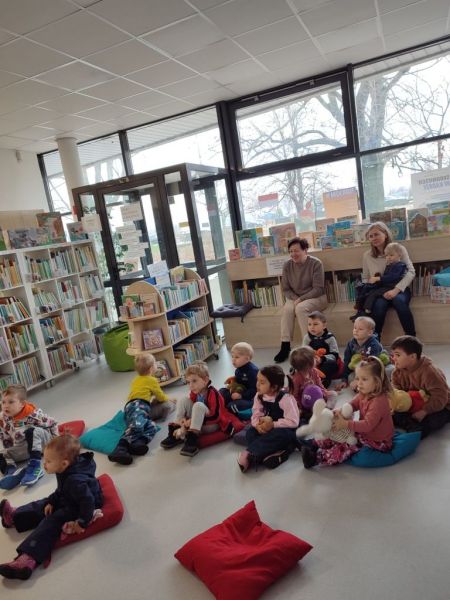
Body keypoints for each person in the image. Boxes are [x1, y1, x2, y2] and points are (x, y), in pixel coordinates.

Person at [0, 434, 103, 580]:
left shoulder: (75, 481)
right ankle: (15, 517)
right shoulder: (66, 470)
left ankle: (29, 558)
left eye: (48, 461)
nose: (44, 464)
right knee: (45, 504)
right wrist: (52, 501)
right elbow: (61, 490)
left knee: (52, 521)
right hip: (71, 496)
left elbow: (88, 501)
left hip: (81, 506)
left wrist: (82, 522)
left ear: (64, 463)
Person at [300, 356, 394, 468]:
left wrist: (345, 424)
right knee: (338, 431)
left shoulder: (379, 402)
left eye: (364, 379)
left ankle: (316, 458)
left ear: (377, 382)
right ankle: (315, 443)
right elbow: (353, 404)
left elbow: (368, 425)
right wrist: (339, 412)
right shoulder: (364, 392)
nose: (359, 383)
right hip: (364, 433)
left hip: (378, 441)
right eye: (357, 378)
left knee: (346, 446)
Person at [160, 362, 239, 457]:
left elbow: (216, 416)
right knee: (183, 400)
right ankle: (175, 432)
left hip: (212, 424)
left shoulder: (213, 393)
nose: (191, 385)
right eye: (188, 382)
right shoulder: (194, 392)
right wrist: (184, 420)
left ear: (205, 380)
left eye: (194, 381)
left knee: (198, 405)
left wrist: (192, 420)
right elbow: (191, 409)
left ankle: (191, 441)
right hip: (198, 421)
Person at [108, 353, 172, 465]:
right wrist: (169, 400)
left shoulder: (135, 379)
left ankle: (138, 443)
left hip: (136, 407)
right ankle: (120, 449)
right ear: (151, 368)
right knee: (137, 426)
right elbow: (160, 396)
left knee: (152, 426)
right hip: (136, 405)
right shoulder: (152, 380)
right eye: (155, 363)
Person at [274, 237, 327, 363]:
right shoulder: (287, 265)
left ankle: (308, 345)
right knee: (287, 309)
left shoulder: (316, 263)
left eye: (296, 251)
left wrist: (301, 299)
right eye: (291, 251)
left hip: (316, 297)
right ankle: (285, 345)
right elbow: (286, 289)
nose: (293, 254)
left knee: (300, 308)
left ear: (305, 250)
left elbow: (318, 289)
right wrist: (296, 298)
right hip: (295, 298)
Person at [237, 365, 299, 472]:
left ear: (273, 387)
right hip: (266, 428)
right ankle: (274, 454)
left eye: (262, 382)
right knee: (250, 433)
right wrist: (257, 425)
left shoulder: (286, 399)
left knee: (282, 436)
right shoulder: (259, 396)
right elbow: (256, 413)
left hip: (283, 429)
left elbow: (294, 422)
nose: (257, 384)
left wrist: (273, 424)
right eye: (257, 380)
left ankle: (250, 454)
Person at [362, 222, 416, 339]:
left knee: (399, 301)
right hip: (380, 291)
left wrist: (396, 290)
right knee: (379, 306)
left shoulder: (398, 249)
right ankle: (375, 341)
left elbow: (411, 272)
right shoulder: (367, 255)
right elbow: (365, 277)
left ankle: (411, 339)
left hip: (399, 289)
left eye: (376, 234)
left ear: (385, 234)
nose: (374, 238)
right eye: (371, 236)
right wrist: (370, 283)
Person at [391, 335, 450, 439]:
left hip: (439, 405)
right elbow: (396, 391)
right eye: (393, 355)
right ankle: (411, 424)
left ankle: (416, 429)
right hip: (413, 402)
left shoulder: (430, 372)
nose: (393, 358)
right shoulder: (397, 371)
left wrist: (424, 411)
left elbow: (441, 397)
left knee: (433, 420)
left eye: (398, 355)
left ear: (413, 357)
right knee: (392, 413)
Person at [0, 384, 58, 489]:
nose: (6, 406)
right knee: (2, 454)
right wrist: (10, 451)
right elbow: (5, 436)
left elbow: (53, 423)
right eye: (3, 402)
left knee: (32, 431)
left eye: (11, 402)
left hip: (44, 444)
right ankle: (11, 471)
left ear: (22, 404)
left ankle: (35, 468)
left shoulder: (33, 414)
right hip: (26, 447)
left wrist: (56, 443)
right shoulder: (3, 417)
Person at [351, 242, 407, 321]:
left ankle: (367, 310)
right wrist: (377, 278)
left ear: (399, 255)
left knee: (374, 294)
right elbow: (385, 276)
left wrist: (378, 278)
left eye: (391, 255)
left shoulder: (400, 265)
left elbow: (392, 277)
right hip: (386, 285)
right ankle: (359, 308)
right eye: (387, 255)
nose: (388, 257)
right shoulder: (390, 265)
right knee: (365, 288)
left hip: (392, 287)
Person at [340, 316, 390, 391]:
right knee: (350, 378)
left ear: (369, 332)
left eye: (360, 329)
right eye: (355, 328)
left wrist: (358, 379)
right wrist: (344, 379)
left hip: (375, 363)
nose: (356, 331)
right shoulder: (351, 344)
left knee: (387, 371)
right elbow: (347, 360)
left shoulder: (374, 344)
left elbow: (371, 364)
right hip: (361, 363)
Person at [290, 346, 338, 423]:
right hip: (306, 401)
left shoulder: (314, 371)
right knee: (304, 411)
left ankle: (327, 408)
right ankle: (314, 415)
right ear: (308, 364)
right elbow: (294, 395)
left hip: (318, 396)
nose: (316, 359)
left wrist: (325, 393)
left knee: (333, 394)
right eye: (314, 358)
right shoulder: (296, 378)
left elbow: (319, 384)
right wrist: (300, 406)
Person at [302, 311, 340, 387]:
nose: (312, 327)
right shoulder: (307, 338)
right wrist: (311, 359)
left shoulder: (330, 338)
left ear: (324, 326)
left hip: (325, 362)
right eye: (309, 324)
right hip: (312, 362)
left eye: (315, 324)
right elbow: (303, 353)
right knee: (298, 363)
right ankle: (307, 378)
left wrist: (322, 359)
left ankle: (321, 380)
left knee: (333, 365)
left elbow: (335, 355)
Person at [219, 342, 258, 414]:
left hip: (250, 398)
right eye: (232, 356)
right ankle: (222, 405)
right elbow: (240, 381)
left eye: (237, 357)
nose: (233, 360)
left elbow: (255, 390)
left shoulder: (252, 371)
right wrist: (234, 379)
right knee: (221, 392)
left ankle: (227, 408)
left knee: (232, 406)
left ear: (247, 359)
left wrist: (241, 396)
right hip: (240, 391)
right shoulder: (239, 369)